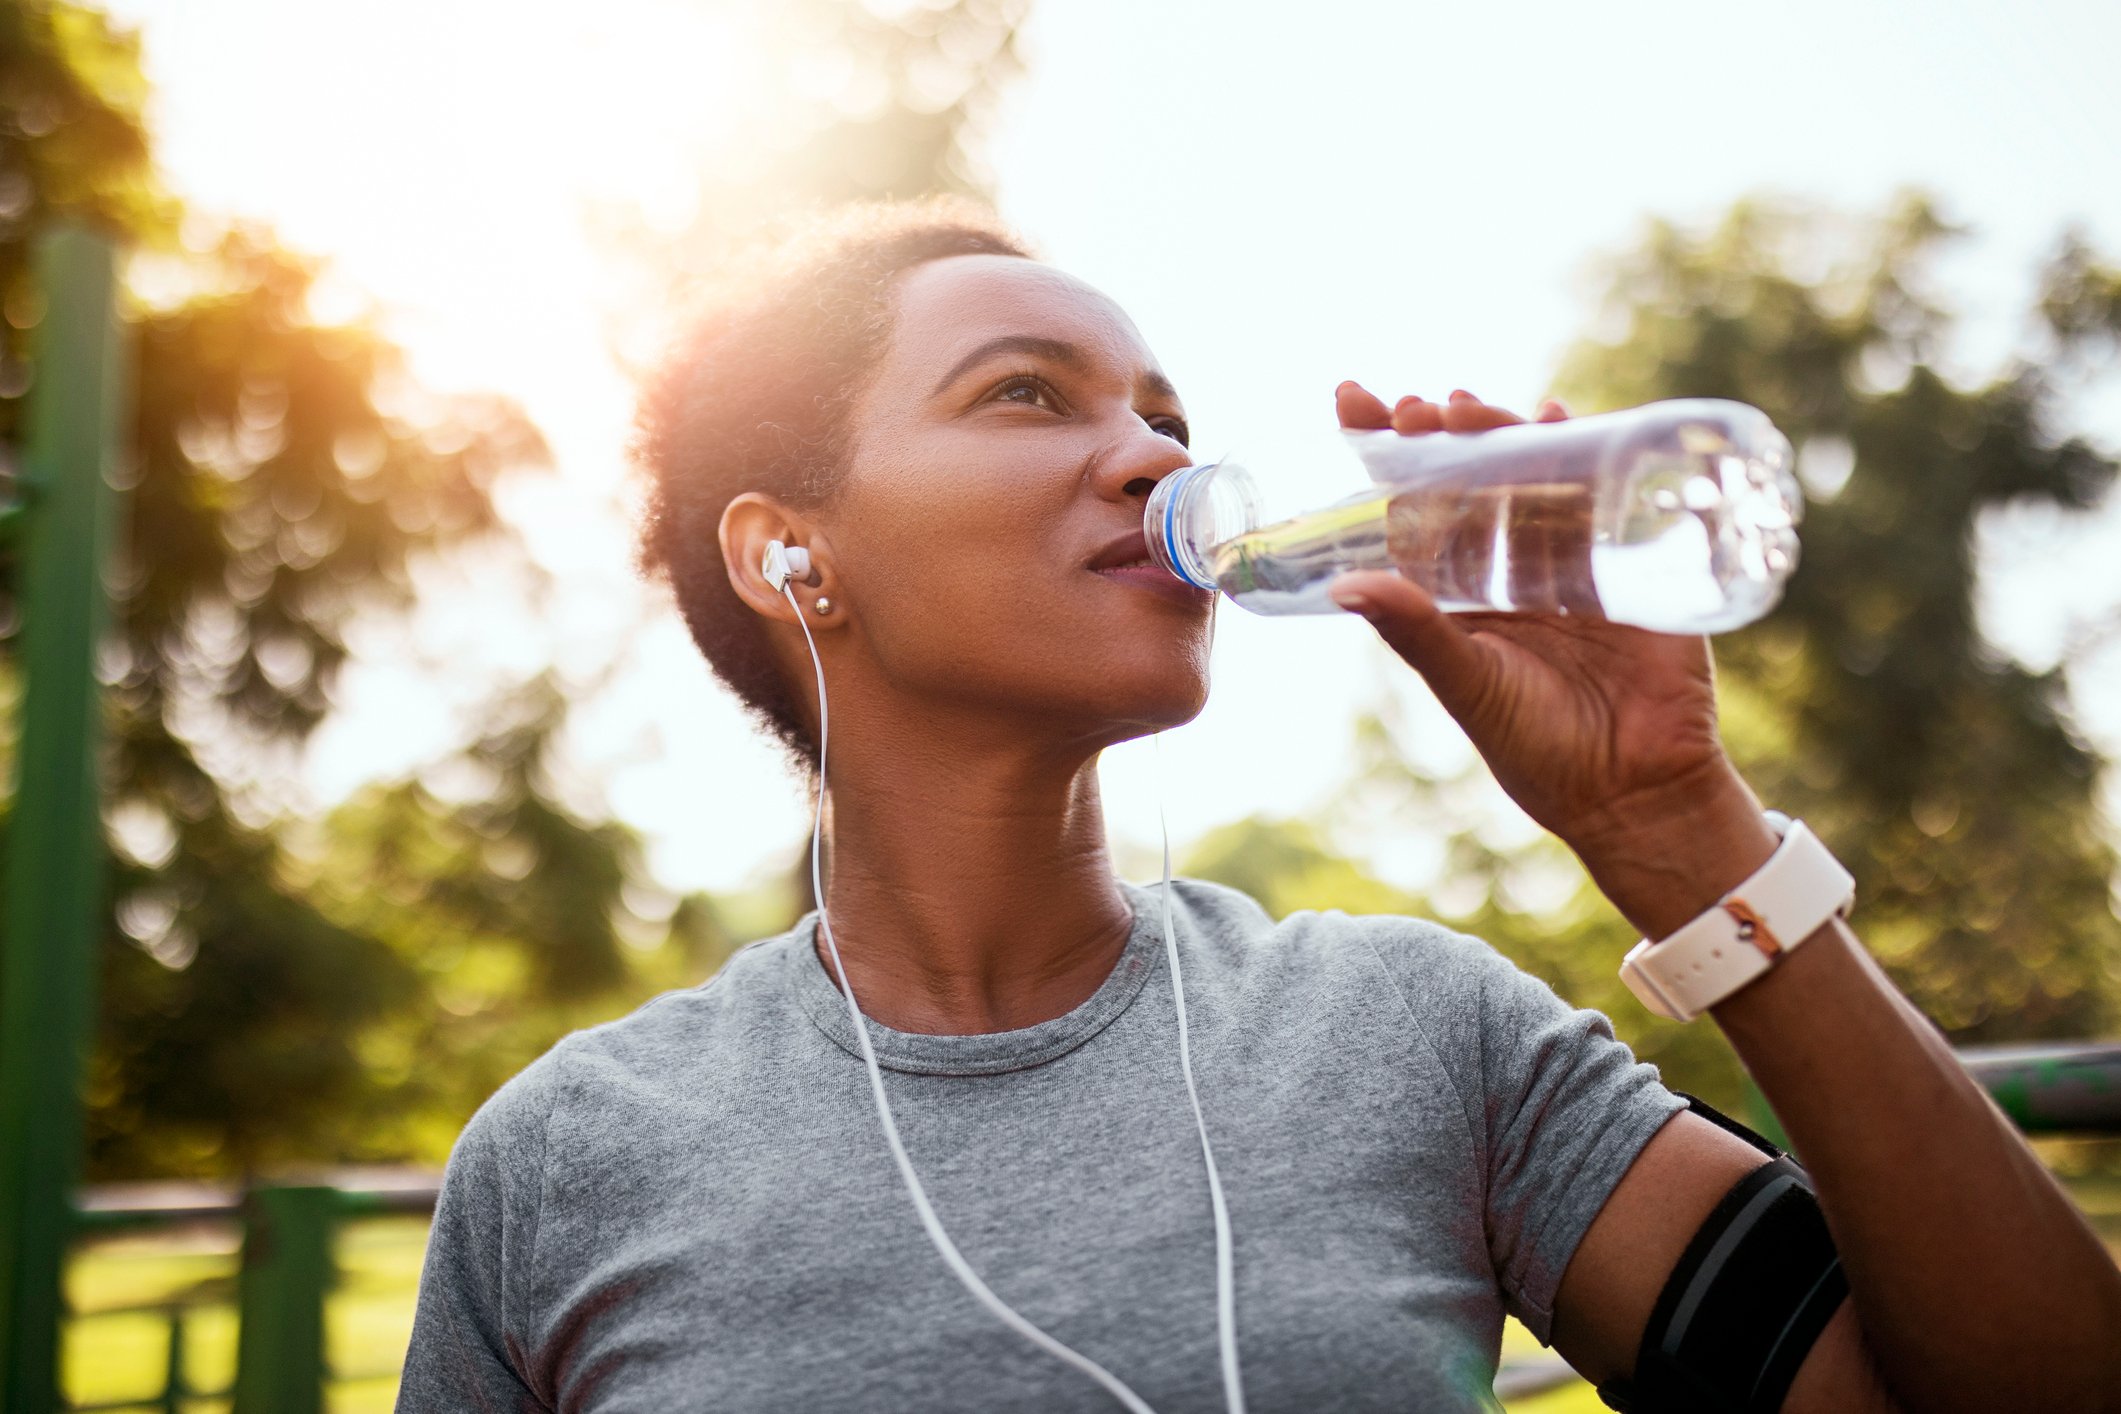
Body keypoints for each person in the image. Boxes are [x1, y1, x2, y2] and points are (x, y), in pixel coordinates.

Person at [396, 199, 2121, 1414]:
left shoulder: (1406, 1034)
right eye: (1024, 394)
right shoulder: (569, 1161)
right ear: (791, 552)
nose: (1160, 461)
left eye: (1164, 415)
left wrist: (1674, 827)